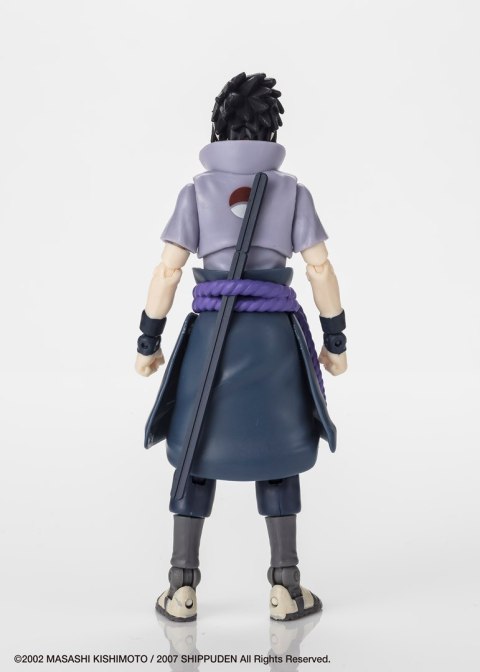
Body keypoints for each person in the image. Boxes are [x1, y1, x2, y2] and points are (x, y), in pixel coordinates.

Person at [135, 72, 347, 622]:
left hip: (211, 338)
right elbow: (320, 268)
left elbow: (167, 271)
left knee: (194, 452)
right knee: (278, 454)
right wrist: (335, 340)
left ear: (218, 128)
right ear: (272, 131)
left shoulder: (196, 193)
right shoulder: (293, 193)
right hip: (274, 341)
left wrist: (148, 341)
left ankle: (181, 589)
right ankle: (286, 588)